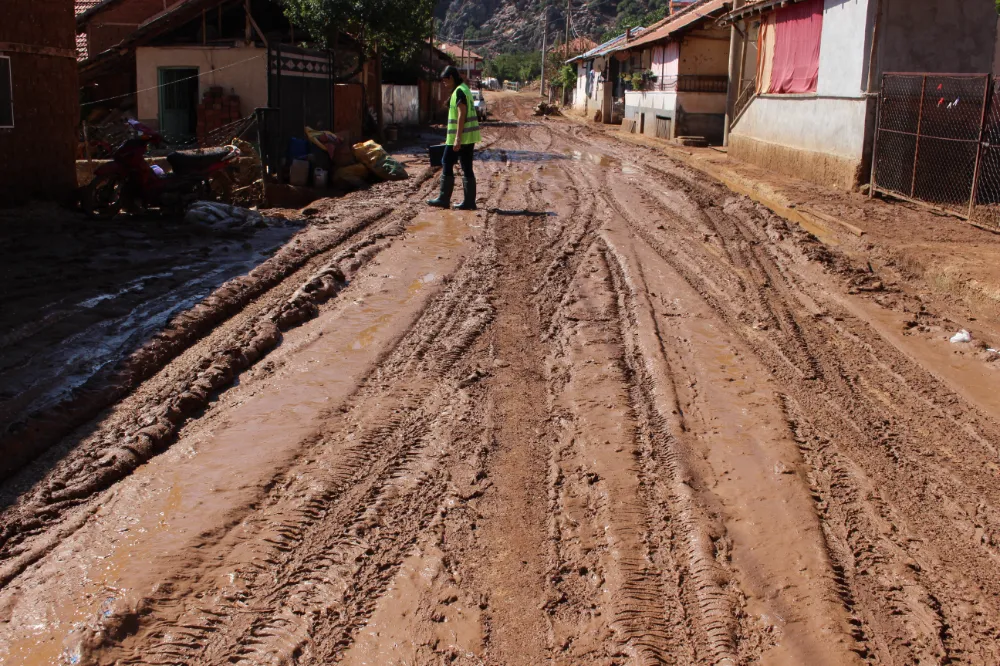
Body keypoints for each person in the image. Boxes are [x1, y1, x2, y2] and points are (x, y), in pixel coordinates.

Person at [428, 66, 481, 210]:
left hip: (460, 138)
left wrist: (457, 138)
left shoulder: (459, 91)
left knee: (446, 161)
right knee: (466, 167)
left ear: (451, 78)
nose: (444, 84)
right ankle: (469, 202)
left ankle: (444, 199)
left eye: (445, 81)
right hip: (469, 137)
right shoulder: (464, 89)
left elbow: (461, 114)